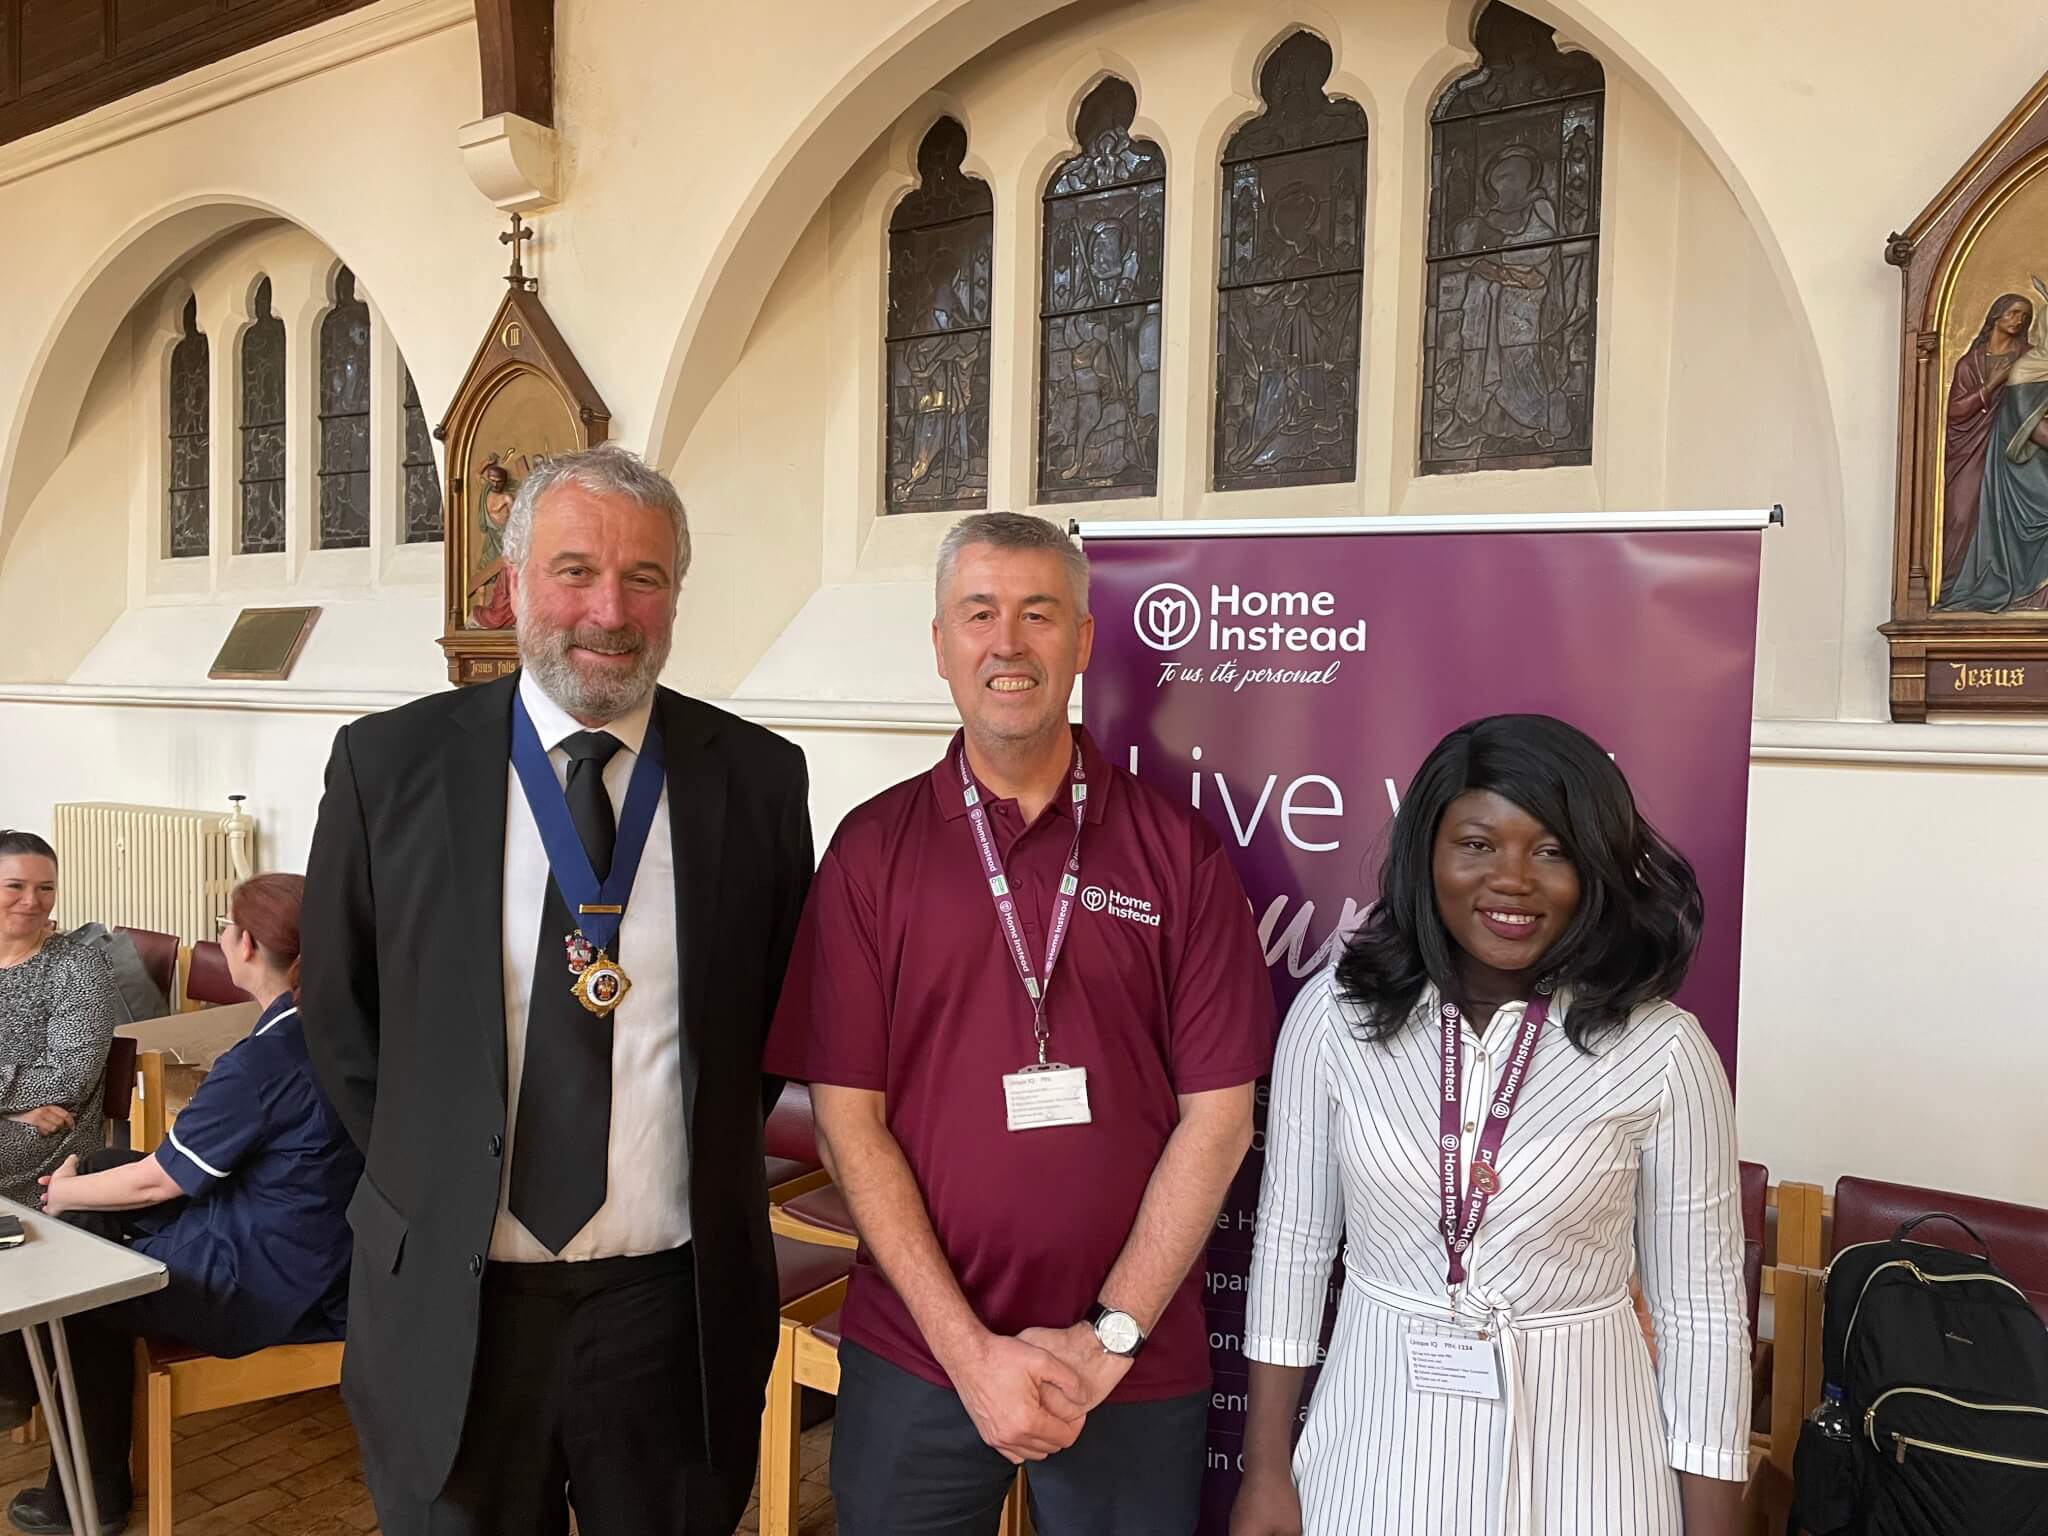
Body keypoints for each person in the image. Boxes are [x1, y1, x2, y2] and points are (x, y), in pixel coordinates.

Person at [303, 442, 814, 1536]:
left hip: (669, 1310)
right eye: (575, 570)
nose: (608, 610)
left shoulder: (757, 778)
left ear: (675, 592)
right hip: (453, 1306)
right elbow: (343, 1020)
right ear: (513, 579)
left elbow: (764, 1031)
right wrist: (431, 1175)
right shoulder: (386, 767)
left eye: (644, 577)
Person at [765, 512, 1275, 1536]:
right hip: (919, 1356)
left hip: (1131, 1367)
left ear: (1082, 642)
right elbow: (845, 1122)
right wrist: (967, 1354)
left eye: (1039, 614)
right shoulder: (871, 853)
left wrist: (1105, 1336)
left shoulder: (1175, 850)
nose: (1008, 643)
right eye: (979, 614)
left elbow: (1219, 1118)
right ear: (942, 644)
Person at [1231, 714, 1750, 1536]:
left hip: (1591, 1464)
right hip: (1373, 1454)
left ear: (1598, 867)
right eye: (1478, 844)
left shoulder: (1664, 1050)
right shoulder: (1335, 1017)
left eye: (1552, 851)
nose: (1512, 879)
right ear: (1427, 856)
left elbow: (1704, 1315)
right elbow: (1292, 1249)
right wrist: (1265, 1473)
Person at [0, 873, 359, 1536]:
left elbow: (159, 1182)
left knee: (81, 1286)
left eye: (225, 925)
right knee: (105, 1170)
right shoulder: (342, 1031)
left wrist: (66, 1189)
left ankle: (88, 1488)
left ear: (245, 946)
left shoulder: (264, 1060)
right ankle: (25, 1379)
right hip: (325, 1245)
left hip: (265, 1281)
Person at [0, 831, 117, 1211]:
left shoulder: (79, 967)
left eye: (45, 888)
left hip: (42, 1154)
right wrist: (12, 1107)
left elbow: (69, 1080)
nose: (32, 901)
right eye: (15, 886)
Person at [1941, 284, 2048, 612]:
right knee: (1961, 516)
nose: (2018, 321)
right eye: (2013, 313)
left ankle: (2027, 590)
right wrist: (1991, 385)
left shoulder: (2028, 358)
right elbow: (1956, 411)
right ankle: (1954, 586)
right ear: (1996, 316)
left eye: (2025, 317)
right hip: (1974, 448)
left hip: (2015, 450)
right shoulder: (1970, 363)